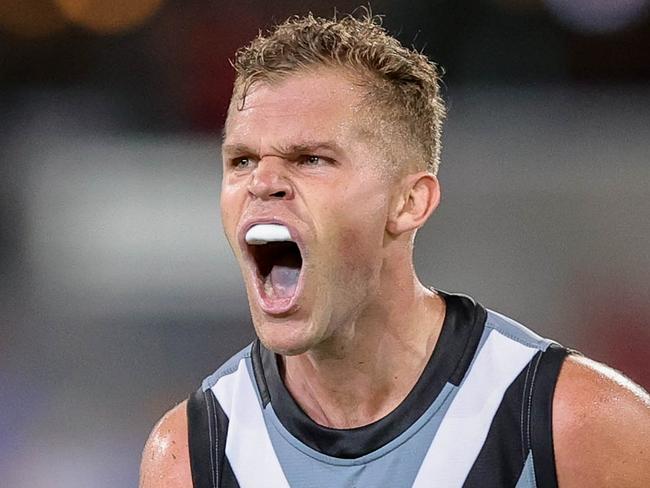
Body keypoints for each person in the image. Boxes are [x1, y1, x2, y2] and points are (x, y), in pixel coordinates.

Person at [140, 13, 650, 488]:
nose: (263, 182)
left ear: (409, 202)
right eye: (242, 159)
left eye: (311, 158)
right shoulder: (189, 454)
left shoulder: (576, 425)